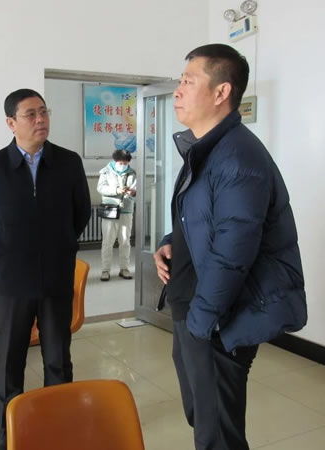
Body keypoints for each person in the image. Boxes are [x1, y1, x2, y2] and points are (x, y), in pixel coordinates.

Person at [153, 44, 306, 450]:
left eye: (189, 81)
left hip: (218, 317)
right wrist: (171, 244)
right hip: (195, 307)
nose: (178, 90)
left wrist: (203, 323)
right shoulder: (207, 149)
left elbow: (234, 250)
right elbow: (203, 220)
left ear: (221, 92)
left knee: (218, 435)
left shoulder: (238, 157)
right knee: (202, 417)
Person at [0, 88, 91, 450]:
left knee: (58, 360)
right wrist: (11, 250)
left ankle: (57, 433)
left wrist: (58, 247)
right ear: (11, 123)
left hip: (56, 278)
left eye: (44, 112)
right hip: (13, 281)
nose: (41, 119)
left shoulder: (68, 162)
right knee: (10, 363)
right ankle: (7, 437)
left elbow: (81, 213)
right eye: (30, 114)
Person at [97, 149, 136, 281]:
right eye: (120, 163)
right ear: (114, 161)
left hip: (126, 210)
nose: (123, 165)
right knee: (107, 241)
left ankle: (124, 268)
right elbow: (101, 188)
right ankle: (105, 270)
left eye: (125, 163)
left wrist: (132, 193)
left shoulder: (132, 173)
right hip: (110, 209)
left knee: (125, 241)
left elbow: (136, 190)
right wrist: (116, 190)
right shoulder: (105, 172)